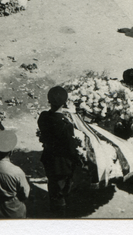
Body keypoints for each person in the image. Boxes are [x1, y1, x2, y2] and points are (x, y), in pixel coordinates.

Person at [38, 86, 82, 216]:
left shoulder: (43, 117)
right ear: (65, 103)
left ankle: (54, 206)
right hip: (62, 163)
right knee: (62, 190)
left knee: (52, 184)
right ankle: (59, 215)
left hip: (48, 158)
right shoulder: (65, 125)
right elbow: (70, 148)